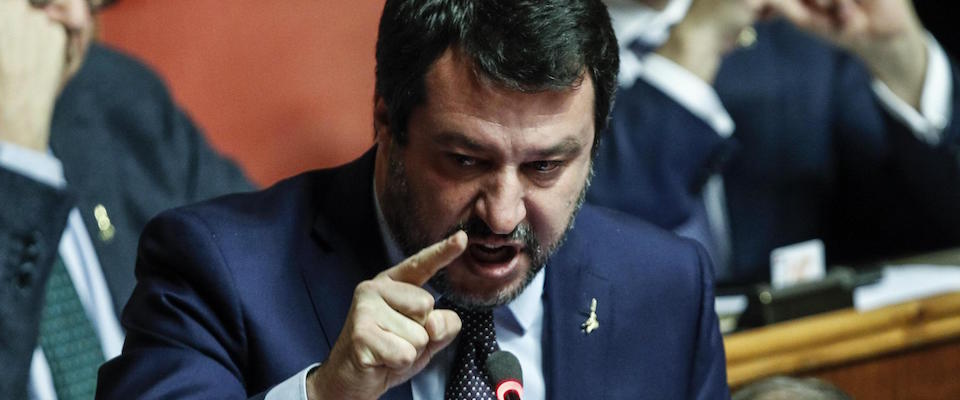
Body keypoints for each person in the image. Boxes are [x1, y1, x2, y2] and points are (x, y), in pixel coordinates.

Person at [96, 0, 729, 399]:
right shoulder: (216, 271)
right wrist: (327, 396)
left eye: (546, 166)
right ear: (386, 124)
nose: (503, 215)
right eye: (465, 160)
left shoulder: (666, 287)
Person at [589, 0, 960, 286]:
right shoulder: (537, 55)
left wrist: (900, 57)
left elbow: (930, 225)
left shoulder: (799, 35)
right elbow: (584, 247)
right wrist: (692, 46)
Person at [0, 0, 254, 399]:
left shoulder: (116, 95)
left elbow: (268, 272)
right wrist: (18, 163)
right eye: (40, 0)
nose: (78, 16)